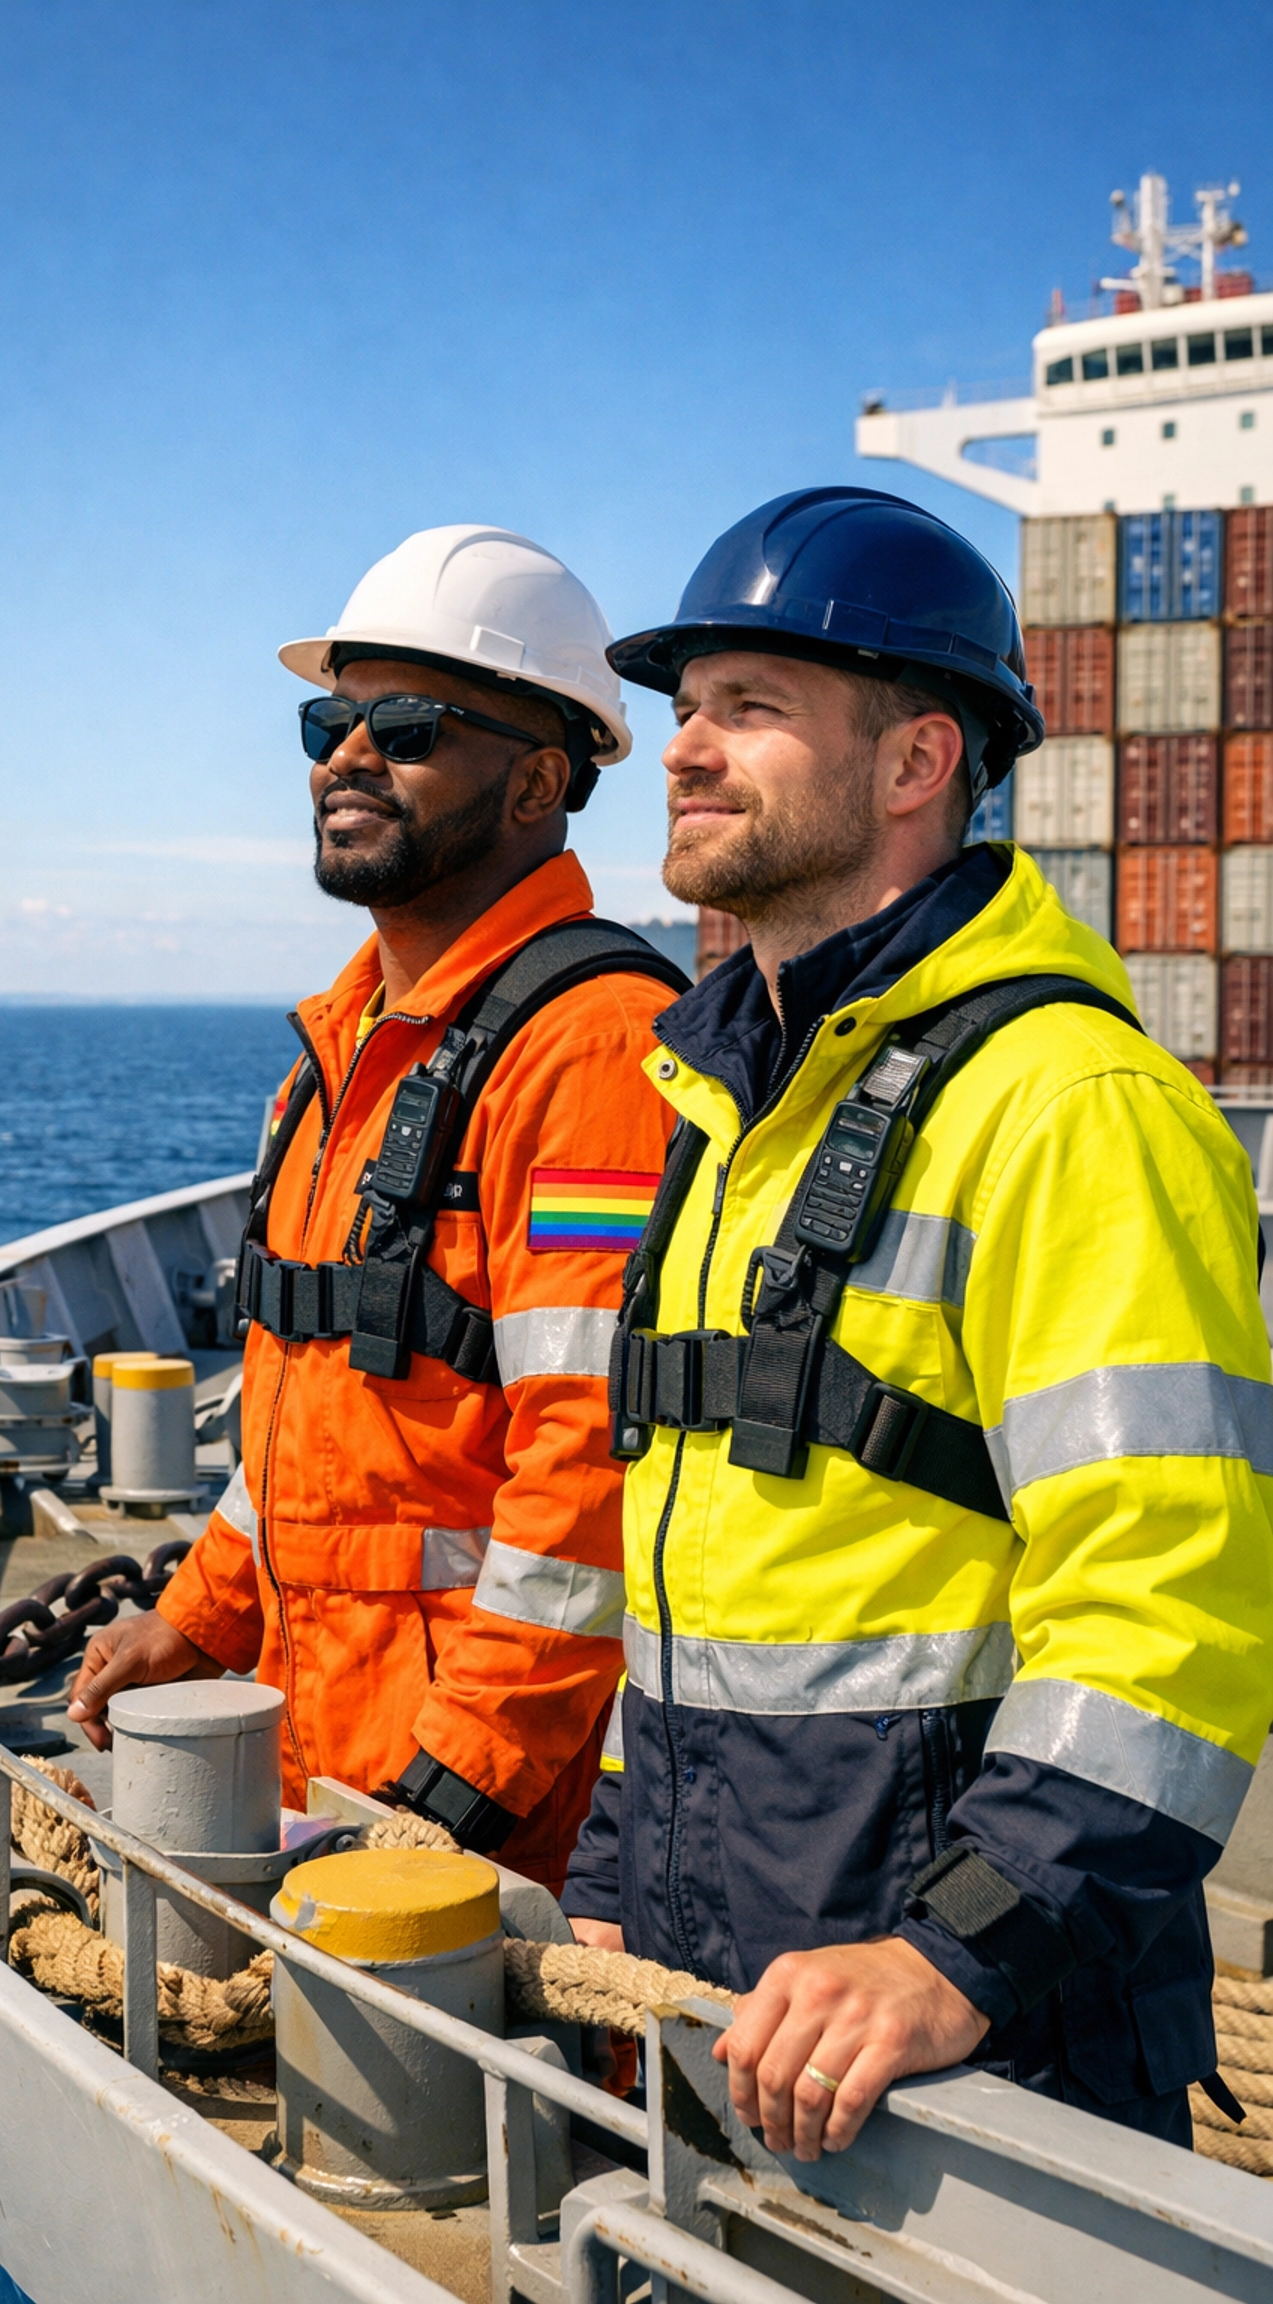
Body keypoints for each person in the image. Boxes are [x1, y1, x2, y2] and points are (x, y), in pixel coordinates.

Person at [561, 485, 1273, 2155]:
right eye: (686, 711)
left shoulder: (1070, 1105)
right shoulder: (735, 1101)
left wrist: (953, 1950)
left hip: (975, 2056)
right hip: (727, 2013)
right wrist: (609, 1879)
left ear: (913, 764)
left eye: (751, 707)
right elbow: (697, 1570)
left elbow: (1170, 1613)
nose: (683, 750)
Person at [69, 524, 686, 1893]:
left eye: (405, 727)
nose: (346, 756)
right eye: (328, 720)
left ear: (539, 779)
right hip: (330, 1769)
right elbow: (311, 1429)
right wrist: (197, 1620)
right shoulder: (349, 1045)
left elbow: (590, 1480)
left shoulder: (590, 1052)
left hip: (483, 1817)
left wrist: (454, 1787)